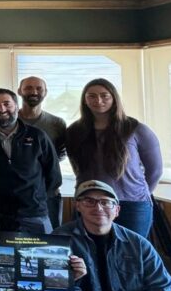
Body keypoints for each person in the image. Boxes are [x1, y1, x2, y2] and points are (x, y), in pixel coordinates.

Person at [66, 78, 163, 238]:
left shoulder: (136, 129)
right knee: (91, 253)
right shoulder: (74, 131)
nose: (98, 100)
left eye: (105, 95)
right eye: (92, 96)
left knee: (131, 253)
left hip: (131, 205)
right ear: (85, 100)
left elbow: (156, 171)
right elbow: (78, 168)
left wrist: (137, 194)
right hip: (90, 203)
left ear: (114, 98)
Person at [0, 89, 61, 234]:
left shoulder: (37, 136)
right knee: (2, 256)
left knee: (43, 255)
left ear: (16, 106)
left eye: (6, 104)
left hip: (35, 213)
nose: (2, 109)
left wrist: (35, 198)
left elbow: (53, 174)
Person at [18, 76, 67, 229]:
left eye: (39, 88)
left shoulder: (57, 123)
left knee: (51, 238)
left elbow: (61, 153)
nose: (34, 91)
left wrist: (40, 168)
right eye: (28, 88)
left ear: (46, 92)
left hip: (48, 192)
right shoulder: (9, 122)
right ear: (19, 91)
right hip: (17, 192)